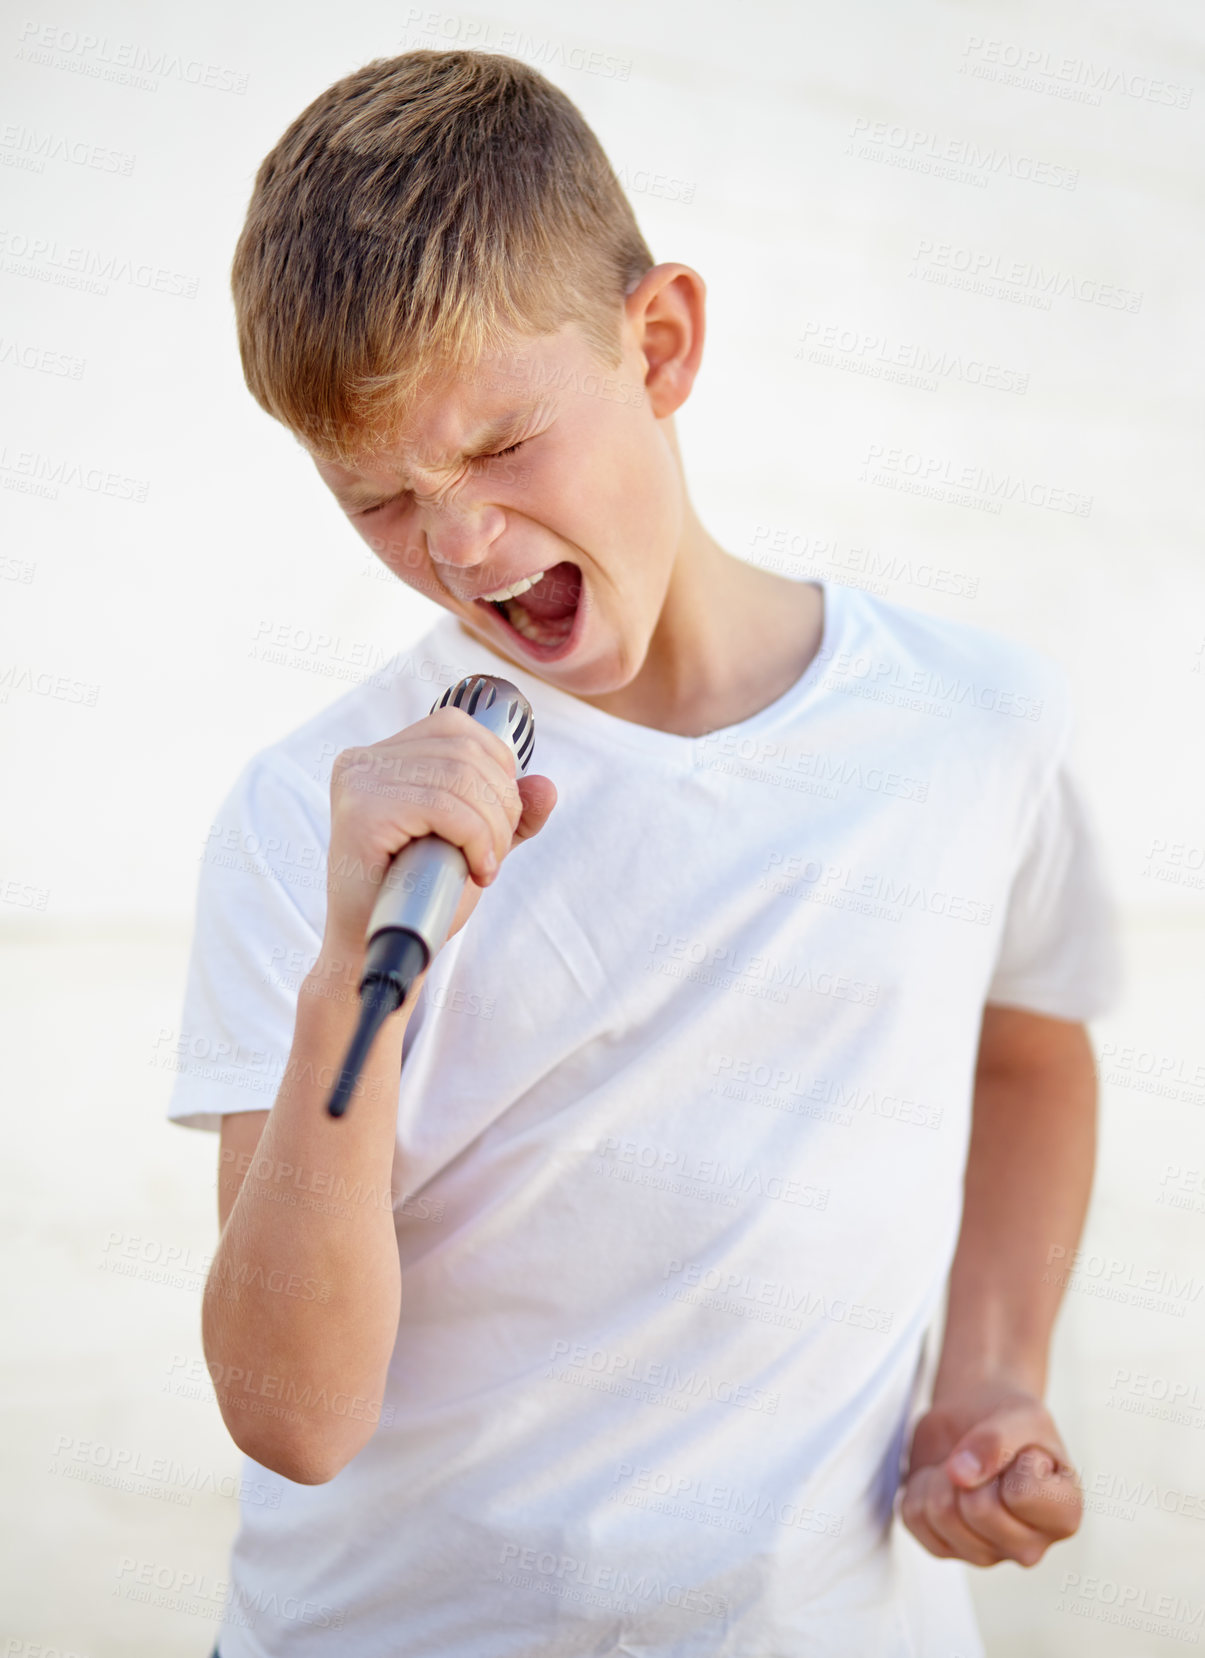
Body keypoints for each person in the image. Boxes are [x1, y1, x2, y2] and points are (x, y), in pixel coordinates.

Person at [168, 48, 1121, 1658]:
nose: (458, 543)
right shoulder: (311, 820)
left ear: (659, 342)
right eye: (380, 499)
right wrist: (352, 980)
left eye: (498, 447)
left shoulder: (972, 725)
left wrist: (992, 1371)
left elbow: (1027, 1048)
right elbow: (293, 1417)